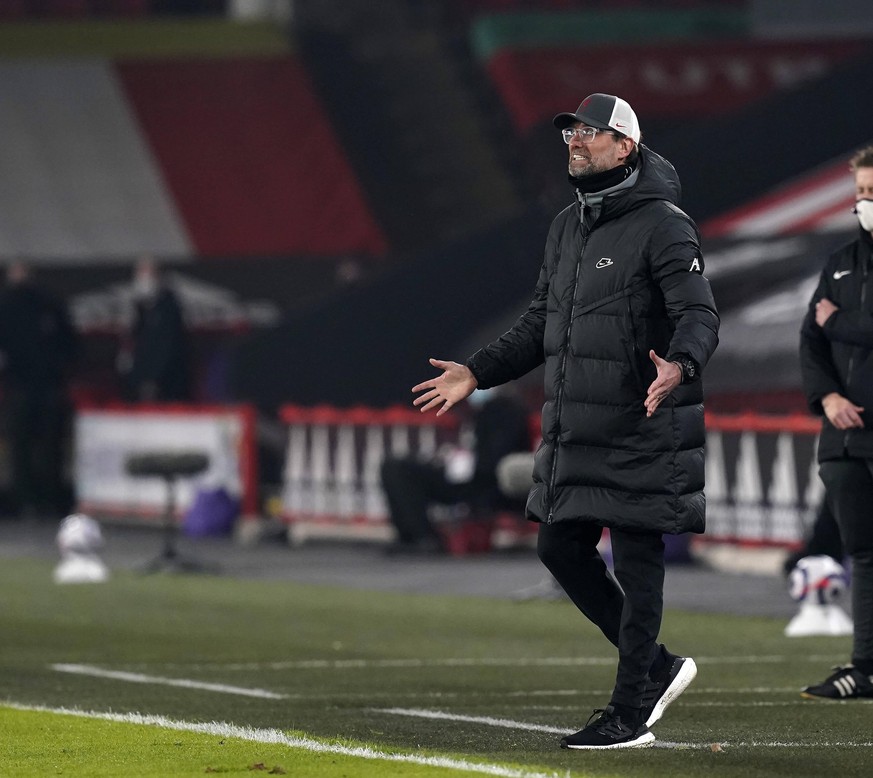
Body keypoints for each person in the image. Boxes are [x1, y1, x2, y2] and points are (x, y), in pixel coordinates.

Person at [411, 93, 719, 749]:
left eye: (590, 132)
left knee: (638, 568)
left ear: (624, 148)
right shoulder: (565, 226)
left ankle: (630, 711)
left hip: (643, 422)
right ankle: (659, 668)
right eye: (570, 132)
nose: (575, 140)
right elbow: (537, 325)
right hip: (577, 428)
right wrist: (478, 370)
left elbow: (697, 312)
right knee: (558, 547)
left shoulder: (665, 224)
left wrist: (682, 366)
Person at [799, 144, 873, 701]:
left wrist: (841, 320)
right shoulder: (841, 260)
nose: (864, 203)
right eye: (861, 194)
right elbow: (810, 339)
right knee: (864, 551)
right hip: (844, 438)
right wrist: (825, 397)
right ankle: (865, 667)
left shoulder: (840, 286)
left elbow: (832, 326)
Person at [380, 388, 531, 554]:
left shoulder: (503, 409)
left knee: (398, 470)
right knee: (395, 467)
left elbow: (493, 460)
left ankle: (422, 537)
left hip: (480, 483)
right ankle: (413, 535)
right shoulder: (476, 411)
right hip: (465, 475)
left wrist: (460, 461)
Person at [0, 261, 77, 517]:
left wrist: (59, 368)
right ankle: (25, 502)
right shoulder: (5, 304)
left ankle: (50, 501)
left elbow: (70, 344)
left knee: (49, 447)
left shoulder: (49, 304)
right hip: (19, 387)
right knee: (20, 448)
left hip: (47, 386)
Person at [118, 255, 191, 402]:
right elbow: (133, 342)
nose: (143, 280)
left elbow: (166, 348)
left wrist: (152, 379)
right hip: (138, 385)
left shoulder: (168, 309)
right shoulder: (140, 309)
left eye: (148, 274)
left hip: (164, 387)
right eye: (140, 274)